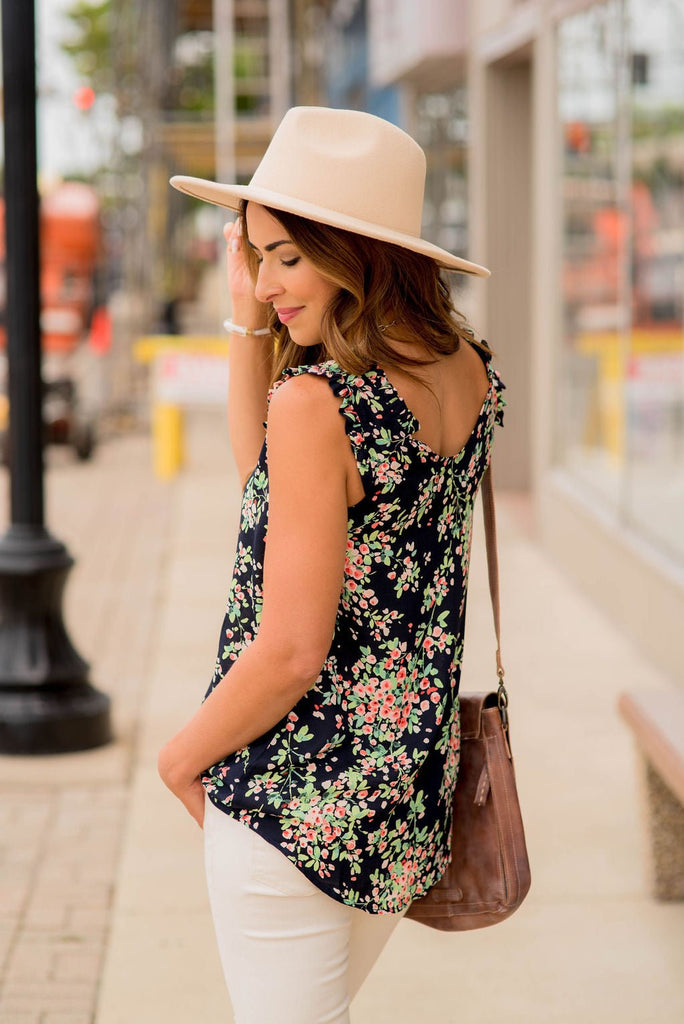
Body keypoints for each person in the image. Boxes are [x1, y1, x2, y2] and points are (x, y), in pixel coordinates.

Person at [158, 106, 505, 1024]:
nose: (266, 283)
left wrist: (178, 758)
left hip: (292, 801)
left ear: (355, 252)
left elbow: (289, 651)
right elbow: (271, 492)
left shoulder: (323, 402)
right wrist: (247, 332)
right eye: (258, 254)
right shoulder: (465, 366)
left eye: (286, 257)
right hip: (401, 803)